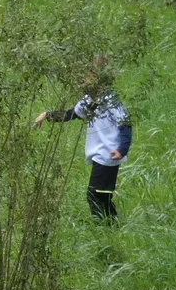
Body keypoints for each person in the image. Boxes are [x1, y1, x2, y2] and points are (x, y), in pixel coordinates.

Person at [35, 72, 133, 220]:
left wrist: (122, 149)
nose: (81, 84)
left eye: (85, 80)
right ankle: (112, 225)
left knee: (95, 194)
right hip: (102, 152)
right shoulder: (88, 100)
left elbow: (125, 124)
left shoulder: (111, 101)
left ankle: (105, 227)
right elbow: (71, 114)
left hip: (108, 152)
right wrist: (48, 115)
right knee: (102, 194)